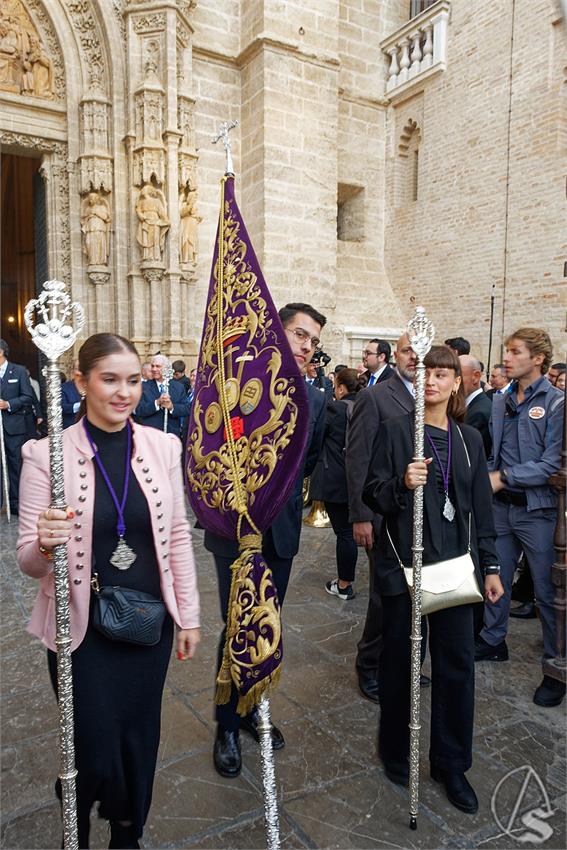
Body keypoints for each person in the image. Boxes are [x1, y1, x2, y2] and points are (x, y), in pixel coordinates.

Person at [16, 333, 200, 849]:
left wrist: (188, 614)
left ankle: (127, 833)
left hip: (148, 625)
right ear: (81, 382)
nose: (124, 393)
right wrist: (47, 543)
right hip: (81, 628)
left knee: (138, 744)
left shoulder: (163, 446)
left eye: (134, 381)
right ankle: (76, 819)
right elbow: (28, 562)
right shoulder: (45, 455)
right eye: (110, 380)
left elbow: (178, 534)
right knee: (93, 748)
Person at [363, 345, 503, 814]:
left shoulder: (469, 440)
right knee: (401, 665)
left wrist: (492, 566)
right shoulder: (396, 432)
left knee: (457, 668)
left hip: (456, 570)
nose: (433, 382)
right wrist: (401, 483)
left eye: (443, 374)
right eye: (426, 373)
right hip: (407, 569)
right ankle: (397, 753)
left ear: (455, 383)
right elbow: (373, 493)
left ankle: (451, 762)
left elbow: (481, 508)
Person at [206, 302, 326, 779]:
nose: (306, 345)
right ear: (276, 330)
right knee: (237, 624)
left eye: (313, 340)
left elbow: (308, 460)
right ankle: (226, 726)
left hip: (282, 534)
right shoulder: (235, 385)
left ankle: (256, 707)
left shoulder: (315, 399)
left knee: (269, 623)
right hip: (235, 533)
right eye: (300, 334)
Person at [475, 328, 565, 707]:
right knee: (494, 575)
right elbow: (496, 451)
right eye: (506, 352)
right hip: (501, 506)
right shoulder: (500, 399)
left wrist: (504, 477)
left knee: (548, 591)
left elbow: (551, 463)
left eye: (515, 352)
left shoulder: (558, 404)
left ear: (538, 358)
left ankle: (556, 664)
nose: (506, 359)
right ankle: (493, 640)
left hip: (538, 510)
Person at [345, 333, 417, 702]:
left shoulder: (435, 396)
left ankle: (404, 663)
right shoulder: (375, 396)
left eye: (421, 352)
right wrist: (361, 515)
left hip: (421, 520)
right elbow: (357, 458)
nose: (415, 358)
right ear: (396, 355)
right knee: (383, 596)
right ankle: (369, 664)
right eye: (407, 350)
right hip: (384, 515)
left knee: (416, 597)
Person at [314, 367, 366, 601]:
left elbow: (319, 436)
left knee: (344, 534)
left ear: (342, 388)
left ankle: (344, 585)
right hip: (361, 479)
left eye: (335, 386)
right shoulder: (367, 407)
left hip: (337, 480)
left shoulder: (335, 408)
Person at [0, 338, 36, 516]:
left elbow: (28, 397)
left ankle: (16, 503)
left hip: (14, 428)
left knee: (15, 465)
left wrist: (8, 404)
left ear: (1, 352)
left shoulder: (19, 371)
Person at [134, 354, 189, 438]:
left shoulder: (178, 387)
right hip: (150, 436)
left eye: (158, 366)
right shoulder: (143, 387)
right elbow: (139, 410)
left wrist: (171, 407)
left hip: (171, 436)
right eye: (152, 366)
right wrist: (156, 403)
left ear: (166, 368)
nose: (154, 369)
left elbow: (186, 409)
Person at [460, 355, 492, 457]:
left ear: (476, 376)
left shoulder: (479, 412)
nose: (453, 382)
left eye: (458, 377)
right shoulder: (470, 405)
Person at [61, 359, 83, 429]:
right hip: (70, 428)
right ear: (73, 371)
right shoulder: (64, 387)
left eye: (82, 368)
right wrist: (83, 405)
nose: (80, 371)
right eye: (77, 368)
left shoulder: (92, 387)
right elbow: (62, 407)